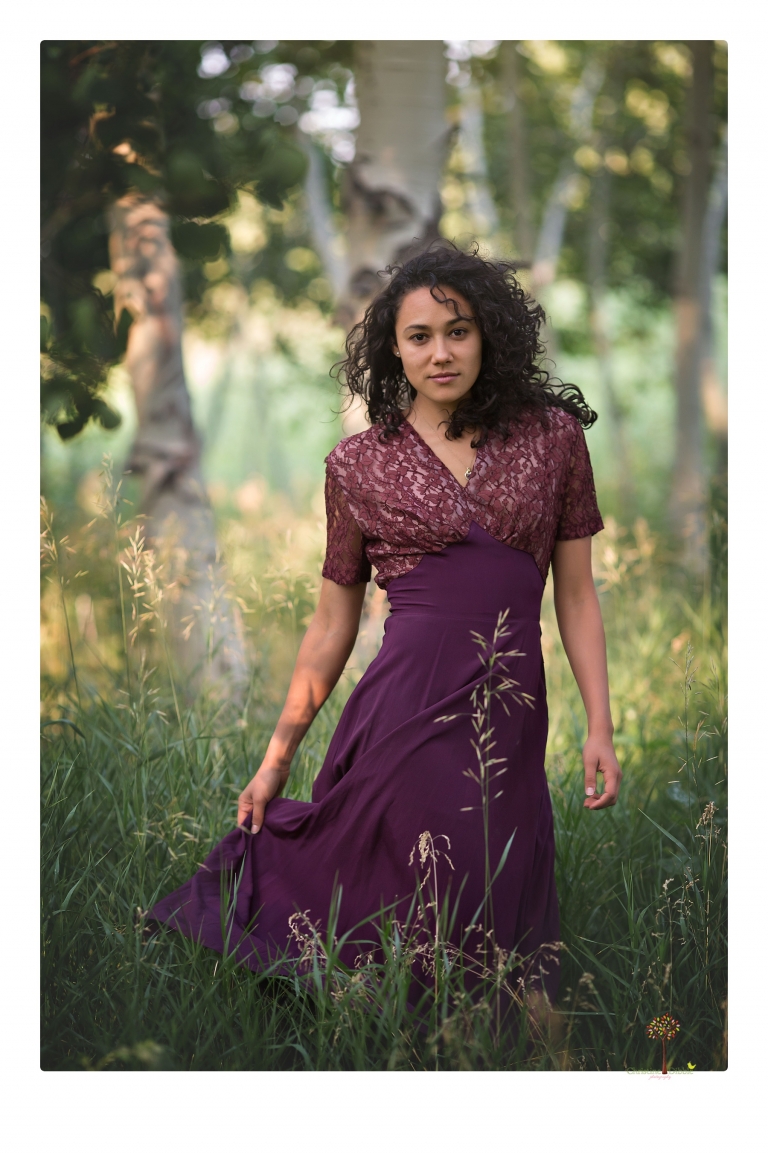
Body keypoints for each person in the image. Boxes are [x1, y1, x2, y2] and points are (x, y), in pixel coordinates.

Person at [148, 244, 622, 1009]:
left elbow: (575, 596)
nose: (441, 352)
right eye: (420, 336)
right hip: (401, 714)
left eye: (459, 331)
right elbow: (331, 626)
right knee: (431, 892)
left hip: (511, 712)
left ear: (489, 334)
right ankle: (417, 1040)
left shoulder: (552, 439)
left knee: (505, 891)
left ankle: (490, 1052)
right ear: (392, 350)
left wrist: (601, 723)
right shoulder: (358, 466)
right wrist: (276, 761)